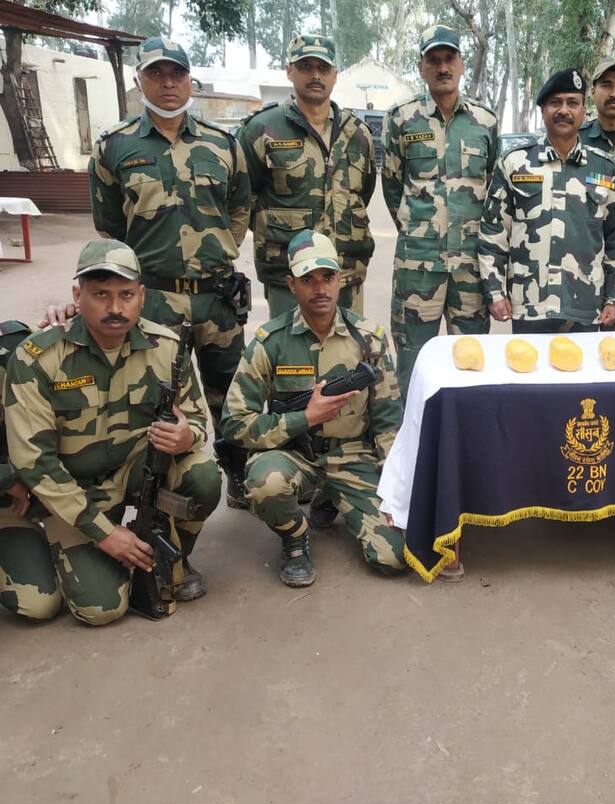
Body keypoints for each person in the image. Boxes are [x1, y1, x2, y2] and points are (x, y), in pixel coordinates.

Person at [2, 240, 221, 625]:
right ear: (77, 295)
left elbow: (196, 419)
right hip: (69, 493)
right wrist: (105, 534)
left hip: (132, 475)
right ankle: (43, 545)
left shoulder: (166, 348)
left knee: (202, 476)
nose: (115, 308)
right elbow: (35, 463)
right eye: (101, 294)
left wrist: (188, 437)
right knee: (98, 609)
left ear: (142, 297)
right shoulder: (39, 359)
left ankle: (172, 557)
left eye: (126, 295)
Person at [87, 37, 252, 508]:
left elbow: (240, 207)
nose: (167, 83)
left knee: (229, 392)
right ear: (138, 79)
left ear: (189, 80)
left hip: (217, 297)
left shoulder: (223, 143)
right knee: (158, 395)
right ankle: (162, 485)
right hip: (154, 298)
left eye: (177, 73)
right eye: (156, 74)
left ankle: (237, 474)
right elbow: (110, 227)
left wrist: (218, 252)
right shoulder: (114, 146)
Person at [222, 230, 406, 587]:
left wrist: (395, 489)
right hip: (293, 454)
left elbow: (388, 419)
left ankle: (331, 496)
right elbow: (234, 423)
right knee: (264, 484)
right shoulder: (270, 342)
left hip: (352, 457)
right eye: (308, 279)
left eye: (328, 277)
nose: (320, 288)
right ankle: (295, 536)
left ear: (341, 280)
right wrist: (305, 418)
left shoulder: (369, 338)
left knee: (394, 557)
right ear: (291, 284)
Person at [382, 25, 497, 399]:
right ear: (422, 67)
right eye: (434, 60)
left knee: (472, 361)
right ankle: (414, 433)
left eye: (450, 59)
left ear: (461, 64)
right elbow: (392, 186)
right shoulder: (402, 118)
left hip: (470, 266)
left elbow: (492, 187)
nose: (443, 67)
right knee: (413, 362)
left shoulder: (485, 121)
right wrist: (419, 229)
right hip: (418, 265)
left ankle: (466, 431)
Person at [479, 68, 615, 333]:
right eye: (555, 103)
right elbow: (493, 232)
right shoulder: (515, 163)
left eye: (572, 103)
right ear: (542, 110)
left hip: (585, 307)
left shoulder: (607, 168)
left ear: (584, 110)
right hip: (530, 306)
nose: (564, 110)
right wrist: (495, 291)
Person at [239, 33, 376, 319]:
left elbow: (363, 192)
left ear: (335, 75)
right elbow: (243, 200)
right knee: (289, 347)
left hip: (345, 273)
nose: (315, 75)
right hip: (289, 277)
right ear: (289, 71)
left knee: (347, 347)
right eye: (305, 66)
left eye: (323, 68)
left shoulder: (357, 134)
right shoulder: (261, 129)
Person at [0, 319, 60, 621]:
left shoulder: (14, 346)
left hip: (10, 505)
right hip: (9, 487)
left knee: (40, 602)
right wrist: (6, 478)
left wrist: (76, 315)